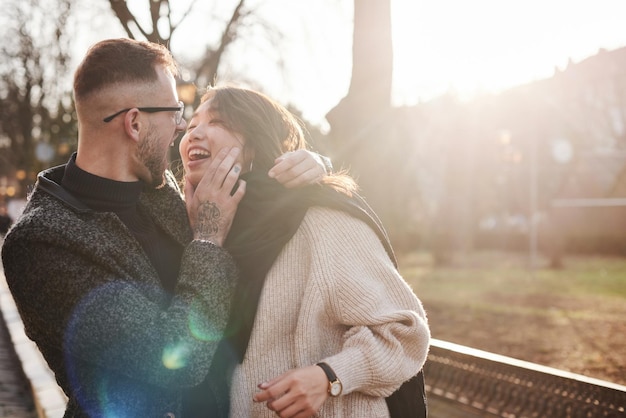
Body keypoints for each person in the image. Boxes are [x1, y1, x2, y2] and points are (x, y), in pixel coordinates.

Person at [0, 38, 328, 417]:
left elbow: (255, 204)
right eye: (173, 112)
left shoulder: (160, 189)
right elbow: (172, 358)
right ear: (135, 123)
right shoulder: (42, 241)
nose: (182, 125)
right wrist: (206, 239)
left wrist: (314, 165)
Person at [178, 85, 430, 418]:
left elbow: (405, 333)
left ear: (254, 141)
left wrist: (330, 376)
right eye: (192, 123)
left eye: (216, 121)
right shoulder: (192, 227)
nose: (195, 133)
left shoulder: (317, 218)